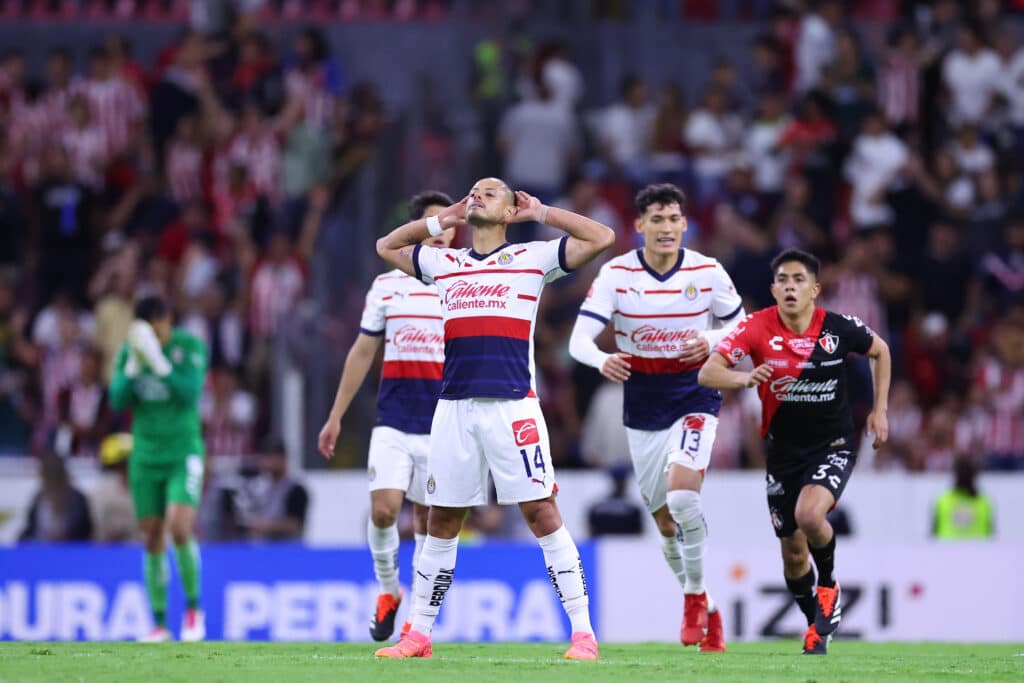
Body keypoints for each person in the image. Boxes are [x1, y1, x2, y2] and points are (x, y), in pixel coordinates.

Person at [373, 178, 615, 660]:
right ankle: (418, 634)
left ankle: (583, 633)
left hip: (512, 406)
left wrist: (542, 213)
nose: (479, 194)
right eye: (474, 190)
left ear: (509, 211)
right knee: (441, 519)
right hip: (454, 408)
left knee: (541, 513)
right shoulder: (446, 263)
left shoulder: (532, 258)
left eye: (491, 192)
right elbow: (386, 245)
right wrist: (444, 218)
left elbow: (601, 237)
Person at [568, 183, 743, 652]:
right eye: (657, 220)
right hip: (642, 406)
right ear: (639, 225)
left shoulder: (708, 272)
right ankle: (707, 605)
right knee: (665, 523)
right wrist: (600, 360)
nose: (666, 229)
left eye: (674, 220)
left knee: (684, 497)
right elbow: (578, 341)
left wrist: (710, 340)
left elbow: (743, 324)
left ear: (685, 224)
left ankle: (689, 597)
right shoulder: (615, 274)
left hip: (695, 394)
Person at [698, 249, 891, 655]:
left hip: (834, 445)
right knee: (792, 553)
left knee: (809, 514)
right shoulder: (756, 327)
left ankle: (830, 585)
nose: (790, 286)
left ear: (815, 289)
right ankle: (815, 628)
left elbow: (881, 351)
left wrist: (880, 409)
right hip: (783, 453)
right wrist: (745, 376)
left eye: (799, 280)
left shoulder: (837, 329)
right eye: (783, 280)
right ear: (773, 289)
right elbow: (708, 371)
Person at [317, 190, 456, 642]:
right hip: (394, 420)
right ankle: (387, 591)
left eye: (448, 224)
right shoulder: (387, 286)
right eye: (432, 224)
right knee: (383, 511)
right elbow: (362, 352)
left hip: (443, 424)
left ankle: (417, 622)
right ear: (416, 232)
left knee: (428, 523)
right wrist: (335, 414)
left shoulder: (464, 284)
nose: (441, 233)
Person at [109, 295, 209, 642]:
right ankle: (159, 623)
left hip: (183, 452)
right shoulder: (130, 350)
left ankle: (194, 611)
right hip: (145, 456)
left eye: (154, 327)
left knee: (180, 527)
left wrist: (158, 362)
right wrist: (133, 367)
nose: (150, 335)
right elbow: (117, 400)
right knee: (151, 532)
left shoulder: (189, 346)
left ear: (167, 320)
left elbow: (189, 393)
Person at [19, 452, 94, 543]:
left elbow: (84, 530)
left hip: (69, 548)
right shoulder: (39, 498)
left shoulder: (76, 498)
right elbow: (31, 528)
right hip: (42, 548)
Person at [932, 457, 995, 539]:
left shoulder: (942, 501)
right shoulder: (983, 502)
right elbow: (990, 534)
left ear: (955, 476)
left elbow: (933, 535)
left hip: (947, 550)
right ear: (974, 476)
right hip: (977, 550)